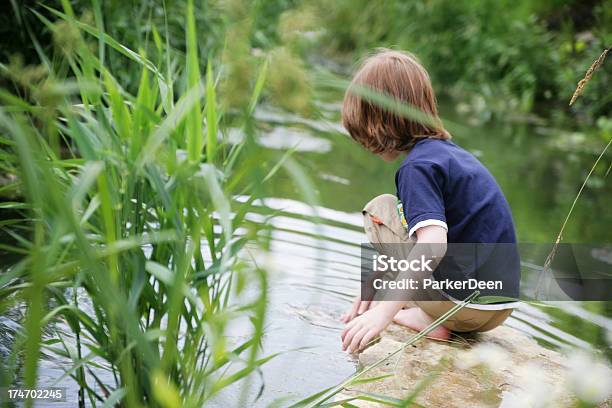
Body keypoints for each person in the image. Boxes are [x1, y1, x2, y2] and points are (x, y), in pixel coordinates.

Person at [339, 49, 520, 354]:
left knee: (380, 210)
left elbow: (433, 243)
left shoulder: (416, 168)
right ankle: (427, 311)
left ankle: (429, 319)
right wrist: (375, 280)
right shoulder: (449, 156)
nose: (364, 143)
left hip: (461, 306)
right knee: (409, 231)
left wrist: (383, 313)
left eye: (364, 130)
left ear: (383, 119)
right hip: (499, 307)